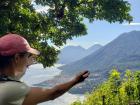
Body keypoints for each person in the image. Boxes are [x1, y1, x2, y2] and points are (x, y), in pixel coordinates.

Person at [0, 33, 90, 105]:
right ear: (17, 58)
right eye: (28, 56)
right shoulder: (13, 89)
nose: (29, 62)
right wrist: (76, 80)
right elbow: (53, 93)